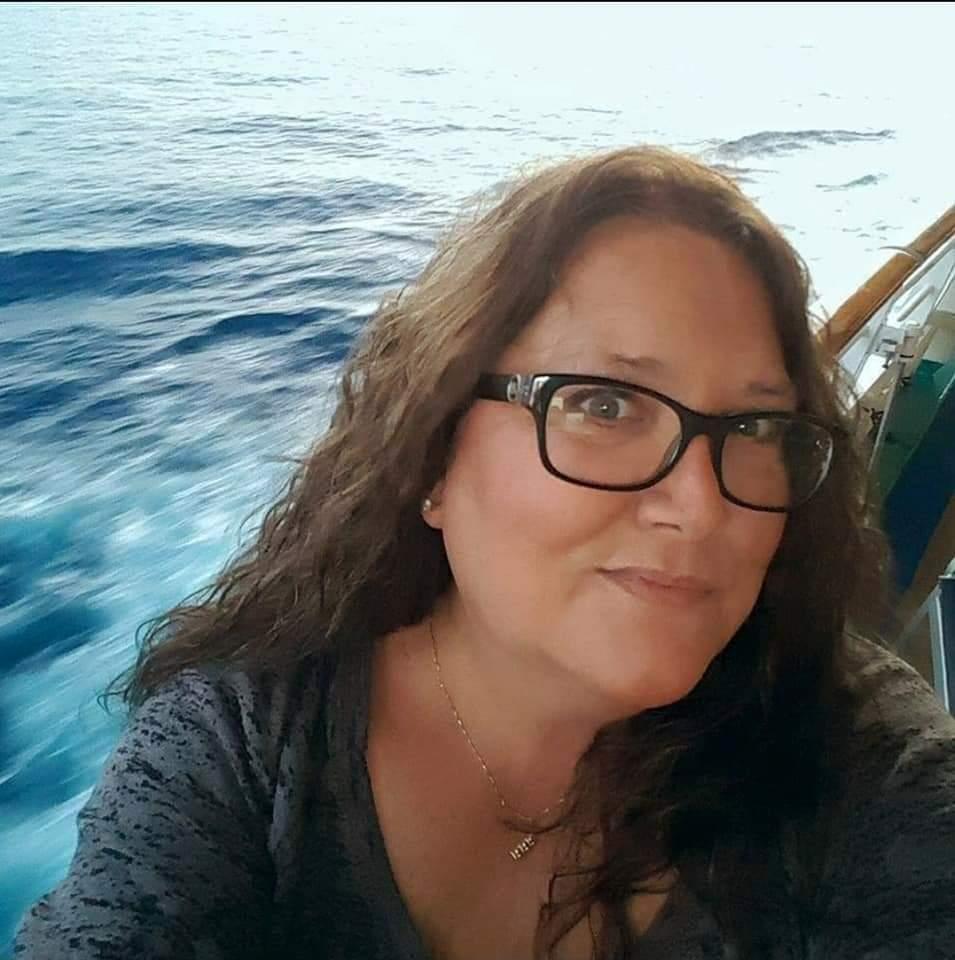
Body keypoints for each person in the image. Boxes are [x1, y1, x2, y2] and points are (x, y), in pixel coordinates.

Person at [14, 146, 955, 960]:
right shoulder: (246, 751)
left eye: (754, 426)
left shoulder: (862, 765)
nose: (702, 507)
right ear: (431, 454)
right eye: (602, 404)